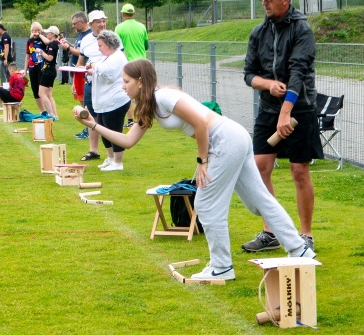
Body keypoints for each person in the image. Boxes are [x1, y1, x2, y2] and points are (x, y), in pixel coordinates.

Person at [73, 59, 316, 281]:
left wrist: (203, 161)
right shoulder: (151, 103)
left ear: (140, 81)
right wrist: (92, 124)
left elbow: (201, 124)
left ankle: (221, 267)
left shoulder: (164, 96)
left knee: (206, 204)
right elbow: (127, 141)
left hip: (225, 140)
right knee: (260, 200)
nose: (123, 86)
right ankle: (300, 250)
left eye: (126, 81)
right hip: (231, 138)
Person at [242, 0, 323, 253]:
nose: (264, 2)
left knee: (299, 171)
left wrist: (286, 111)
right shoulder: (258, 32)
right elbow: (248, 75)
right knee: (259, 169)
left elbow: (299, 72)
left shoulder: (302, 30)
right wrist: (267, 85)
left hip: (299, 109)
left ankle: (306, 235)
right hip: (268, 110)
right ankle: (271, 231)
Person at [84, 30, 130, 171]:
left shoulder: (117, 57)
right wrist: (91, 71)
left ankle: (118, 162)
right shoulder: (108, 57)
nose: (99, 49)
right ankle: (110, 158)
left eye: (101, 45)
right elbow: (103, 72)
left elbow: (106, 71)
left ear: (110, 44)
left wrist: (93, 66)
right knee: (104, 131)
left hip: (115, 102)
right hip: (104, 103)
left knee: (114, 132)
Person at [75, 10, 109, 161]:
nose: (101, 24)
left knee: (108, 117)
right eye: (98, 21)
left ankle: (113, 154)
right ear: (90, 24)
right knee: (91, 115)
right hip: (90, 83)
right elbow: (80, 63)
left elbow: (121, 59)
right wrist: (76, 81)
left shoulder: (112, 38)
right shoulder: (86, 41)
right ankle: (93, 150)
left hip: (108, 83)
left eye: (103, 21)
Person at [115, 3, 149, 128]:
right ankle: (143, 117)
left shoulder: (119, 28)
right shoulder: (141, 27)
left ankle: (130, 119)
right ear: (134, 14)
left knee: (129, 92)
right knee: (142, 91)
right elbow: (146, 45)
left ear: (123, 14)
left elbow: (117, 46)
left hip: (128, 64)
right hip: (142, 63)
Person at [59, 11, 92, 140]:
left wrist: (68, 48)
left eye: (74, 24)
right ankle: (88, 128)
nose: (73, 26)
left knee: (86, 102)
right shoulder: (81, 35)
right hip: (77, 73)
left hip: (84, 74)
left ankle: (90, 128)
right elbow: (78, 49)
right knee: (82, 100)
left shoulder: (88, 35)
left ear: (82, 22)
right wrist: (70, 45)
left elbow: (82, 53)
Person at [36, 25, 60, 119]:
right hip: (52, 69)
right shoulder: (54, 43)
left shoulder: (52, 44)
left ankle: (51, 114)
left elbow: (50, 58)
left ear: (52, 34)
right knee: (49, 94)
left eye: (48, 33)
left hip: (49, 69)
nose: (47, 34)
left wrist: (41, 52)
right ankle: (55, 114)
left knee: (41, 93)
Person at [24, 22, 47, 113]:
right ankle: (42, 110)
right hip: (32, 66)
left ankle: (48, 109)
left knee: (43, 90)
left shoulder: (43, 40)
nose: (36, 32)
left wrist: (40, 35)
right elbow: (27, 56)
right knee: (35, 89)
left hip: (42, 66)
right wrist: (25, 70)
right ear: (31, 31)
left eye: (38, 30)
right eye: (34, 30)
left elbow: (47, 42)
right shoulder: (29, 41)